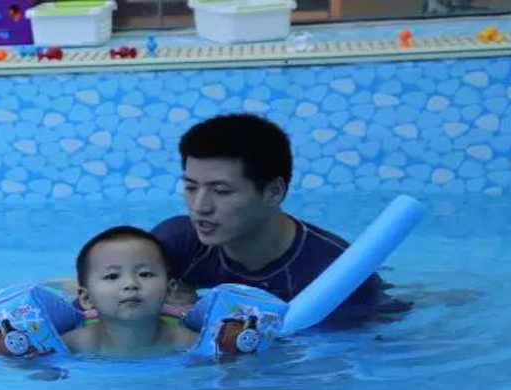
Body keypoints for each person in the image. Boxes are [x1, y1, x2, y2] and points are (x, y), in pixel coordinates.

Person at [152, 113, 396, 327]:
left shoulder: (334, 274)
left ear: (274, 192)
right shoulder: (178, 242)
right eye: (191, 187)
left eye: (221, 191)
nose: (199, 207)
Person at [60, 226, 198, 356]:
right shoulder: (68, 347)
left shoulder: (193, 344)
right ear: (86, 298)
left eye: (145, 274)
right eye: (112, 276)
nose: (131, 284)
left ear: (170, 290)